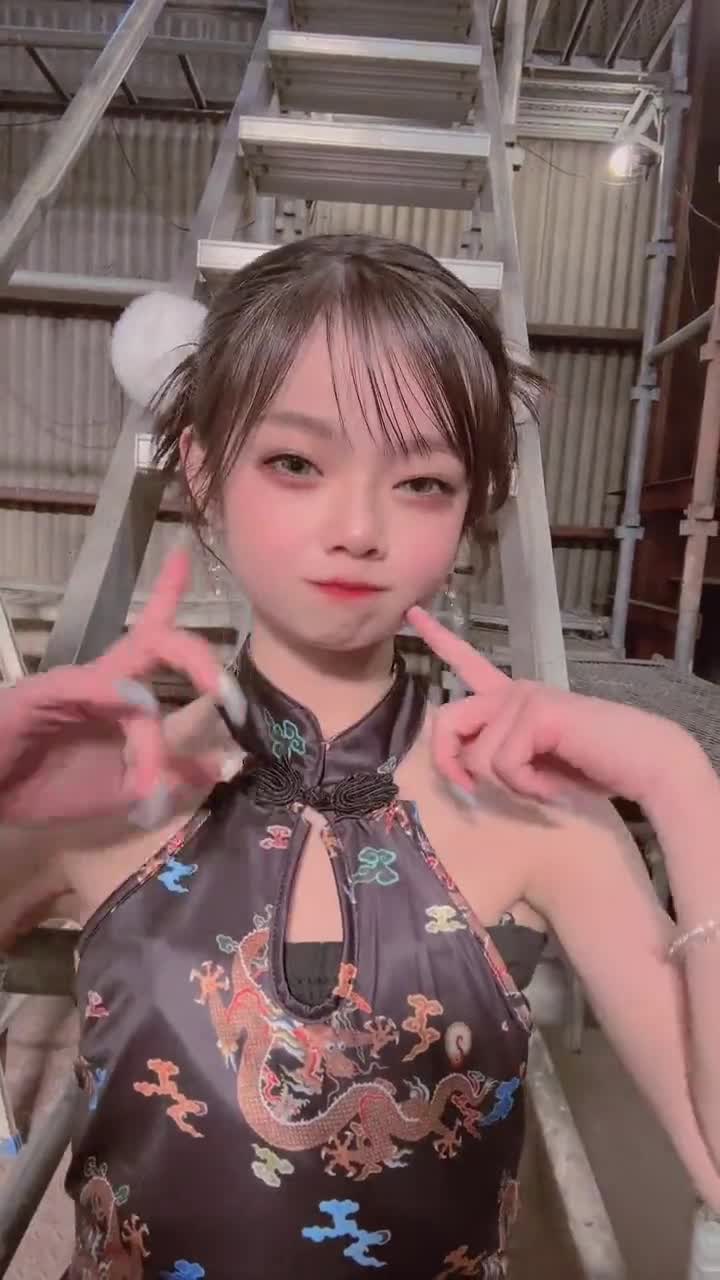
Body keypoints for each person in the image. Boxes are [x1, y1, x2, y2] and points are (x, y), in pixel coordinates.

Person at [2, 233, 719, 1278]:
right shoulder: (105, 787)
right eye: (295, 463)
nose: (358, 527)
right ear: (202, 467)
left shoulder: (539, 811)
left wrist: (681, 782)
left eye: (422, 481)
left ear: (469, 511)